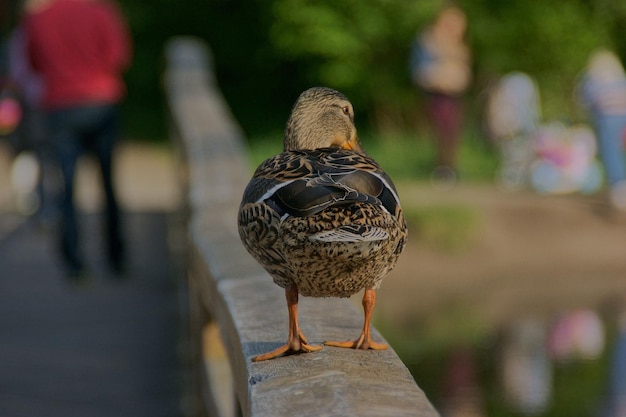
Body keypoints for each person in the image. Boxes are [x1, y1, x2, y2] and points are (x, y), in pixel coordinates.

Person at [24, 0, 132, 281]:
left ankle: (74, 263)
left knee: (66, 186)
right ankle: (116, 257)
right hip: (101, 101)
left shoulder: (39, 19)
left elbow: (34, 63)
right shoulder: (101, 12)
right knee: (108, 183)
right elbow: (118, 57)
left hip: (61, 106)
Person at [410, 6, 472, 182]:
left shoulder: (458, 44)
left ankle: (449, 167)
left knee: (452, 131)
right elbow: (420, 71)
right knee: (443, 130)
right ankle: (443, 168)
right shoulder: (428, 41)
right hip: (437, 93)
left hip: (455, 94)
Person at [578, 49, 626, 211]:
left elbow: (586, 101)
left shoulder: (592, 80)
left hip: (607, 120)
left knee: (611, 152)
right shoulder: (621, 79)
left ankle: (619, 187)